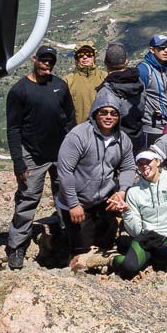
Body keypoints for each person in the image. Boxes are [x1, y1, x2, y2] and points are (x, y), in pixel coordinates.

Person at [4, 45, 75, 270]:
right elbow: (13, 129)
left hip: (61, 153)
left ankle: (68, 240)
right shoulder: (19, 91)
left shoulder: (59, 86)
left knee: (64, 197)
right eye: (44, 60)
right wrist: (18, 162)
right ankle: (16, 246)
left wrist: (73, 151)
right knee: (27, 199)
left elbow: (70, 120)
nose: (47, 64)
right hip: (32, 154)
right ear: (34, 59)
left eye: (51, 61)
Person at [57, 93, 136, 257]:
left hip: (103, 199)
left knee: (104, 244)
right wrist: (73, 204)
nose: (109, 117)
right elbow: (65, 172)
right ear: (95, 113)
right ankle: (53, 242)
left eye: (113, 113)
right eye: (103, 112)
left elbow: (128, 167)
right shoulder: (78, 136)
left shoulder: (123, 140)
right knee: (81, 250)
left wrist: (122, 191)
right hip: (77, 200)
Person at [115, 150, 167, 279]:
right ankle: (113, 260)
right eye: (140, 164)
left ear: (158, 162)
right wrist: (127, 212)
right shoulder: (134, 191)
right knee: (128, 269)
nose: (144, 166)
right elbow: (136, 231)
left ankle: (144, 258)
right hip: (147, 237)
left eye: (148, 162)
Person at [94, 43, 145, 152]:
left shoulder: (106, 91)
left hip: (115, 144)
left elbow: (98, 122)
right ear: (126, 62)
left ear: (105, 63)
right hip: (138, 138)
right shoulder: (139, 84)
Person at [137, 34, 167, 147]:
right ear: (152, 50)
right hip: (150, 127)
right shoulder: (143, 70)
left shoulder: (166, 69)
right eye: (161, 48)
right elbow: (136, 97)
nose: (166, 51)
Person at [64, 42, 108, 125]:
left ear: (94, 57)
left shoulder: (105, 77)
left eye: (88, 54)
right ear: (77, 59)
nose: (85, 57)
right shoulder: (68, 80)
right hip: (78, 130)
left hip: (102, 128)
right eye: (80, 55)